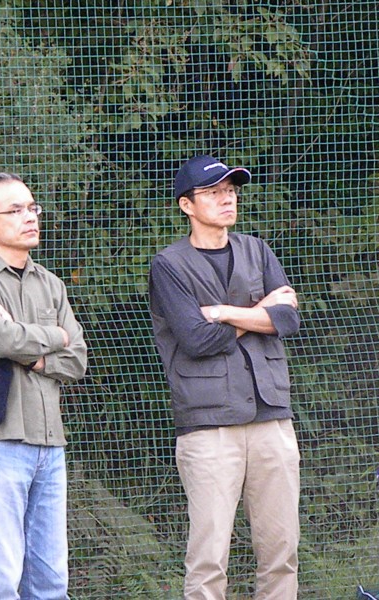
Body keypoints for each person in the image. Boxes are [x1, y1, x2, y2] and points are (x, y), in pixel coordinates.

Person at [149, 155, 301, 599]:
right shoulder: (169, 265)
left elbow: (289, 320)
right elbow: (196, 339)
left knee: (281, 552)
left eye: (231, 191)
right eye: (213, 192)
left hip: (272, 418)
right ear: (187, 205)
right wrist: (260, 312)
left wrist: (224, 312)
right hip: (209, 426)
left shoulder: (257, 249)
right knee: (209, 560)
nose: (226, 199)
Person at [0, 172, 88, 599]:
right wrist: (55, 337)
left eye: (32, 207)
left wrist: (35, 352)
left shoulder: (51, 283)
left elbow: (77, 359)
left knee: (51, 585)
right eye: (15, 210)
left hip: (51, 446)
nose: (30, 217)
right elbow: (2, 339)